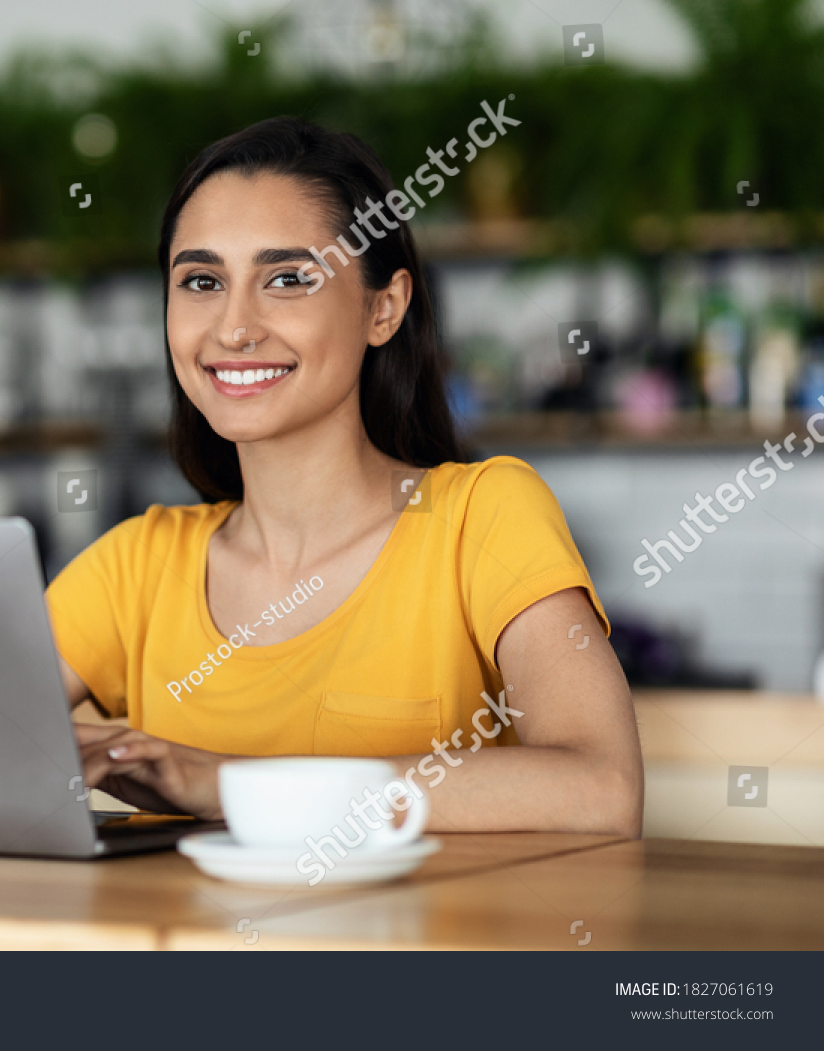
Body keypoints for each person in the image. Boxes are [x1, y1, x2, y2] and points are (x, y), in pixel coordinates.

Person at [45, 117, 642, 837]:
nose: (234, 327)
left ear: (383, 307)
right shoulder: (134, 567)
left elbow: (602, 789)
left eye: (288, 279)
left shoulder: (482, 518)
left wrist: (225, 783)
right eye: (202, 280)